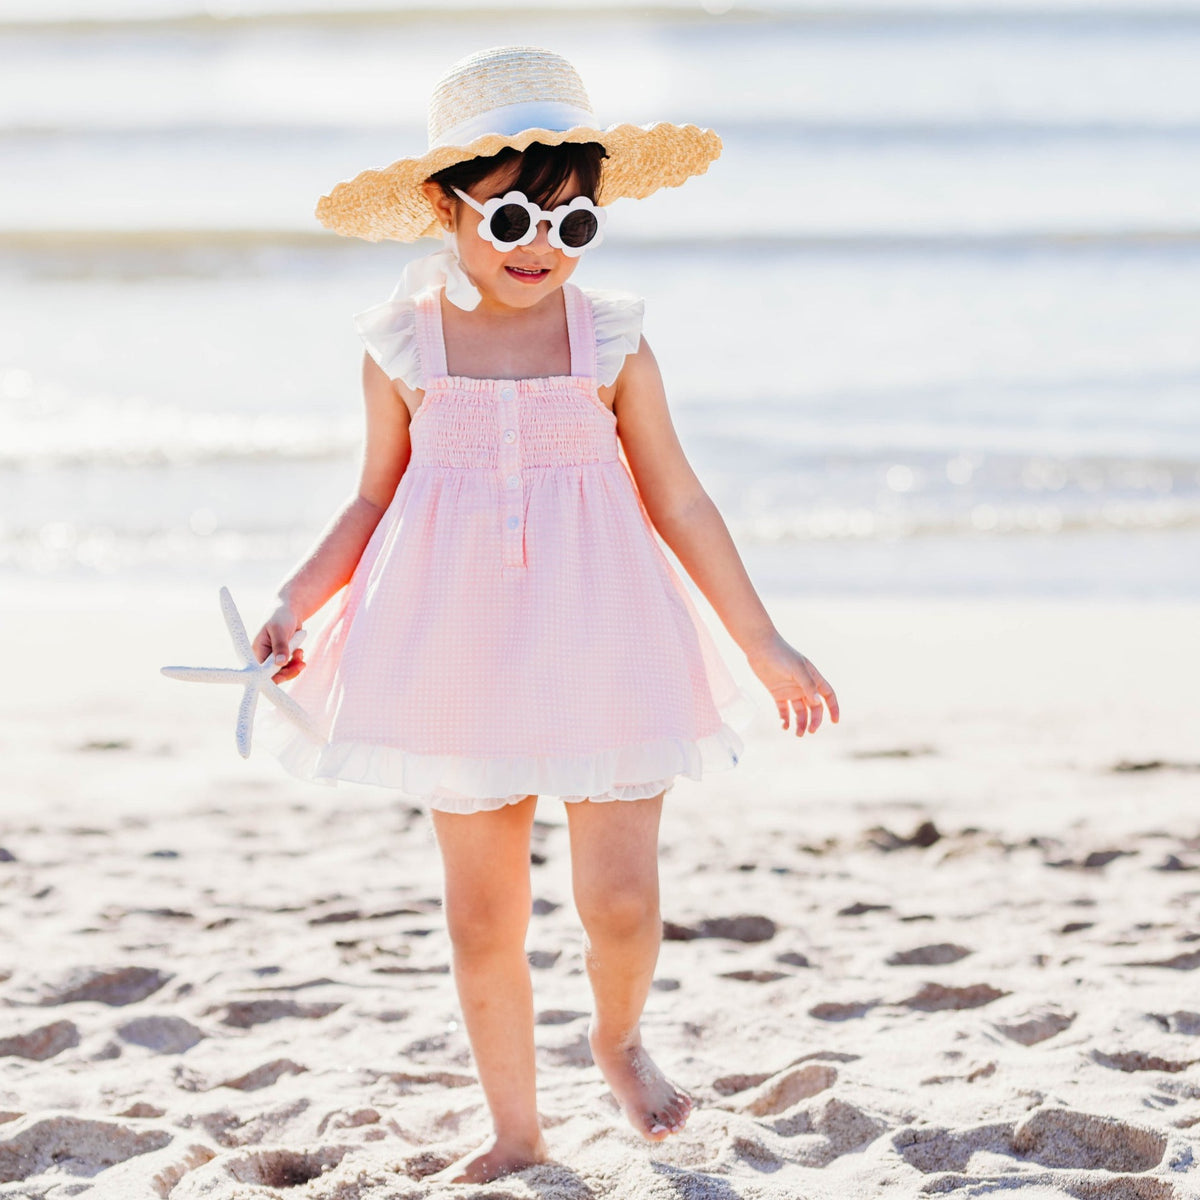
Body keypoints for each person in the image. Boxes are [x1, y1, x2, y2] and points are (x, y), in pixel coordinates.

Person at [251, 44, 839, 1186]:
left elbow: (679, 495)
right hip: (454, 648)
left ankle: (615, 1037)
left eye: (575, 226)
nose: (543, 251)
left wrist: (761, 642)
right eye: (518, 216)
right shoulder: (403, 346)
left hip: (606, 636)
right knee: (485, 916)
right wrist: (294, 600)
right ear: (446, 204)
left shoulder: (608, 341)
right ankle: (518, 1129)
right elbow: (373, 495)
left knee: (618, 902)